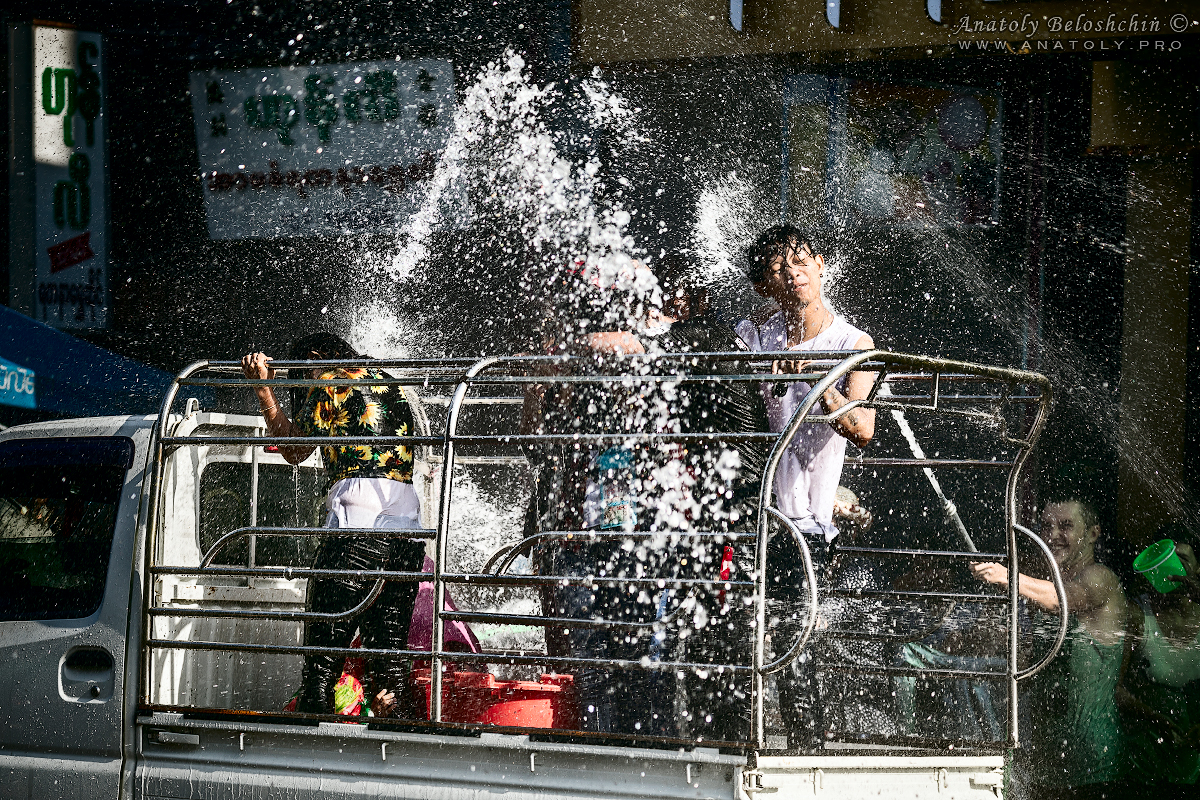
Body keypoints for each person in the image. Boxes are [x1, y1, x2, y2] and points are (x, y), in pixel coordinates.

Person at [733, 224, 876, 749]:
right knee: (738, 634)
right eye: (778, 268)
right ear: (764, 285)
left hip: (808, 523)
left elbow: (863, 429)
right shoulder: (753, 335)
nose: (792, 273)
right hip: (749, 515)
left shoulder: (852, 344)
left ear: (820, 266)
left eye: (800, 261)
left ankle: (805, 750)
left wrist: (819, 382)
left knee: (798, 645)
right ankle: (738, 741)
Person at [242, 332, 425, 719]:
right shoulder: (388, 381)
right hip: (408, 531)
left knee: (322, 664)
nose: (304, 381)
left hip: (356, 526)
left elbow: (294, 450)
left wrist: (264, 390)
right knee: (389, 662)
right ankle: (402, 737)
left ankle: (314, 739)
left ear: (313, 358)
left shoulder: (329, 380)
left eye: (301, 373)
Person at [972, 493, 1130, 796]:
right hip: (1047, 763)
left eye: (1066, 526)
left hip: (1094, 766)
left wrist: (1007, 576)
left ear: (1093, 533)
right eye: (1046, 526)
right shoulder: (1043, 584)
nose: (1053, 535)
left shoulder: (1101, 578)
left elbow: (1062, 600)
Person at [1115, 523, 1200, 798]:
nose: (1172, 570)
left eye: (1181, 560)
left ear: (1198, 570)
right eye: (1165, 561)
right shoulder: (1138, 615)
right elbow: (1116, 690)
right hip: (1145, 763)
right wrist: (1155, 718)